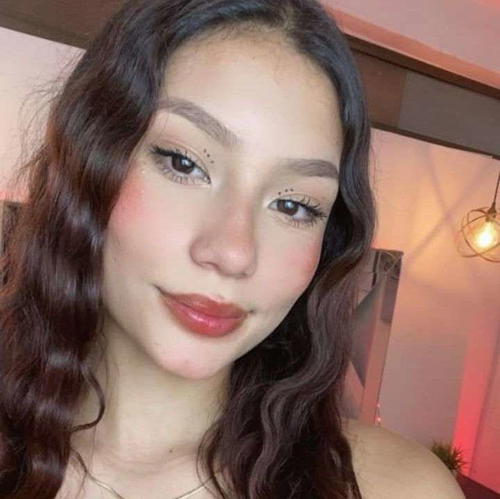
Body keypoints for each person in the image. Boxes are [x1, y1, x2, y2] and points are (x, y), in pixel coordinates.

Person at [0, 1, 465, 498]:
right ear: (88, 163)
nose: (234, 252)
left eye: (293, 205)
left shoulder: (400, 488)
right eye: (183, 163)